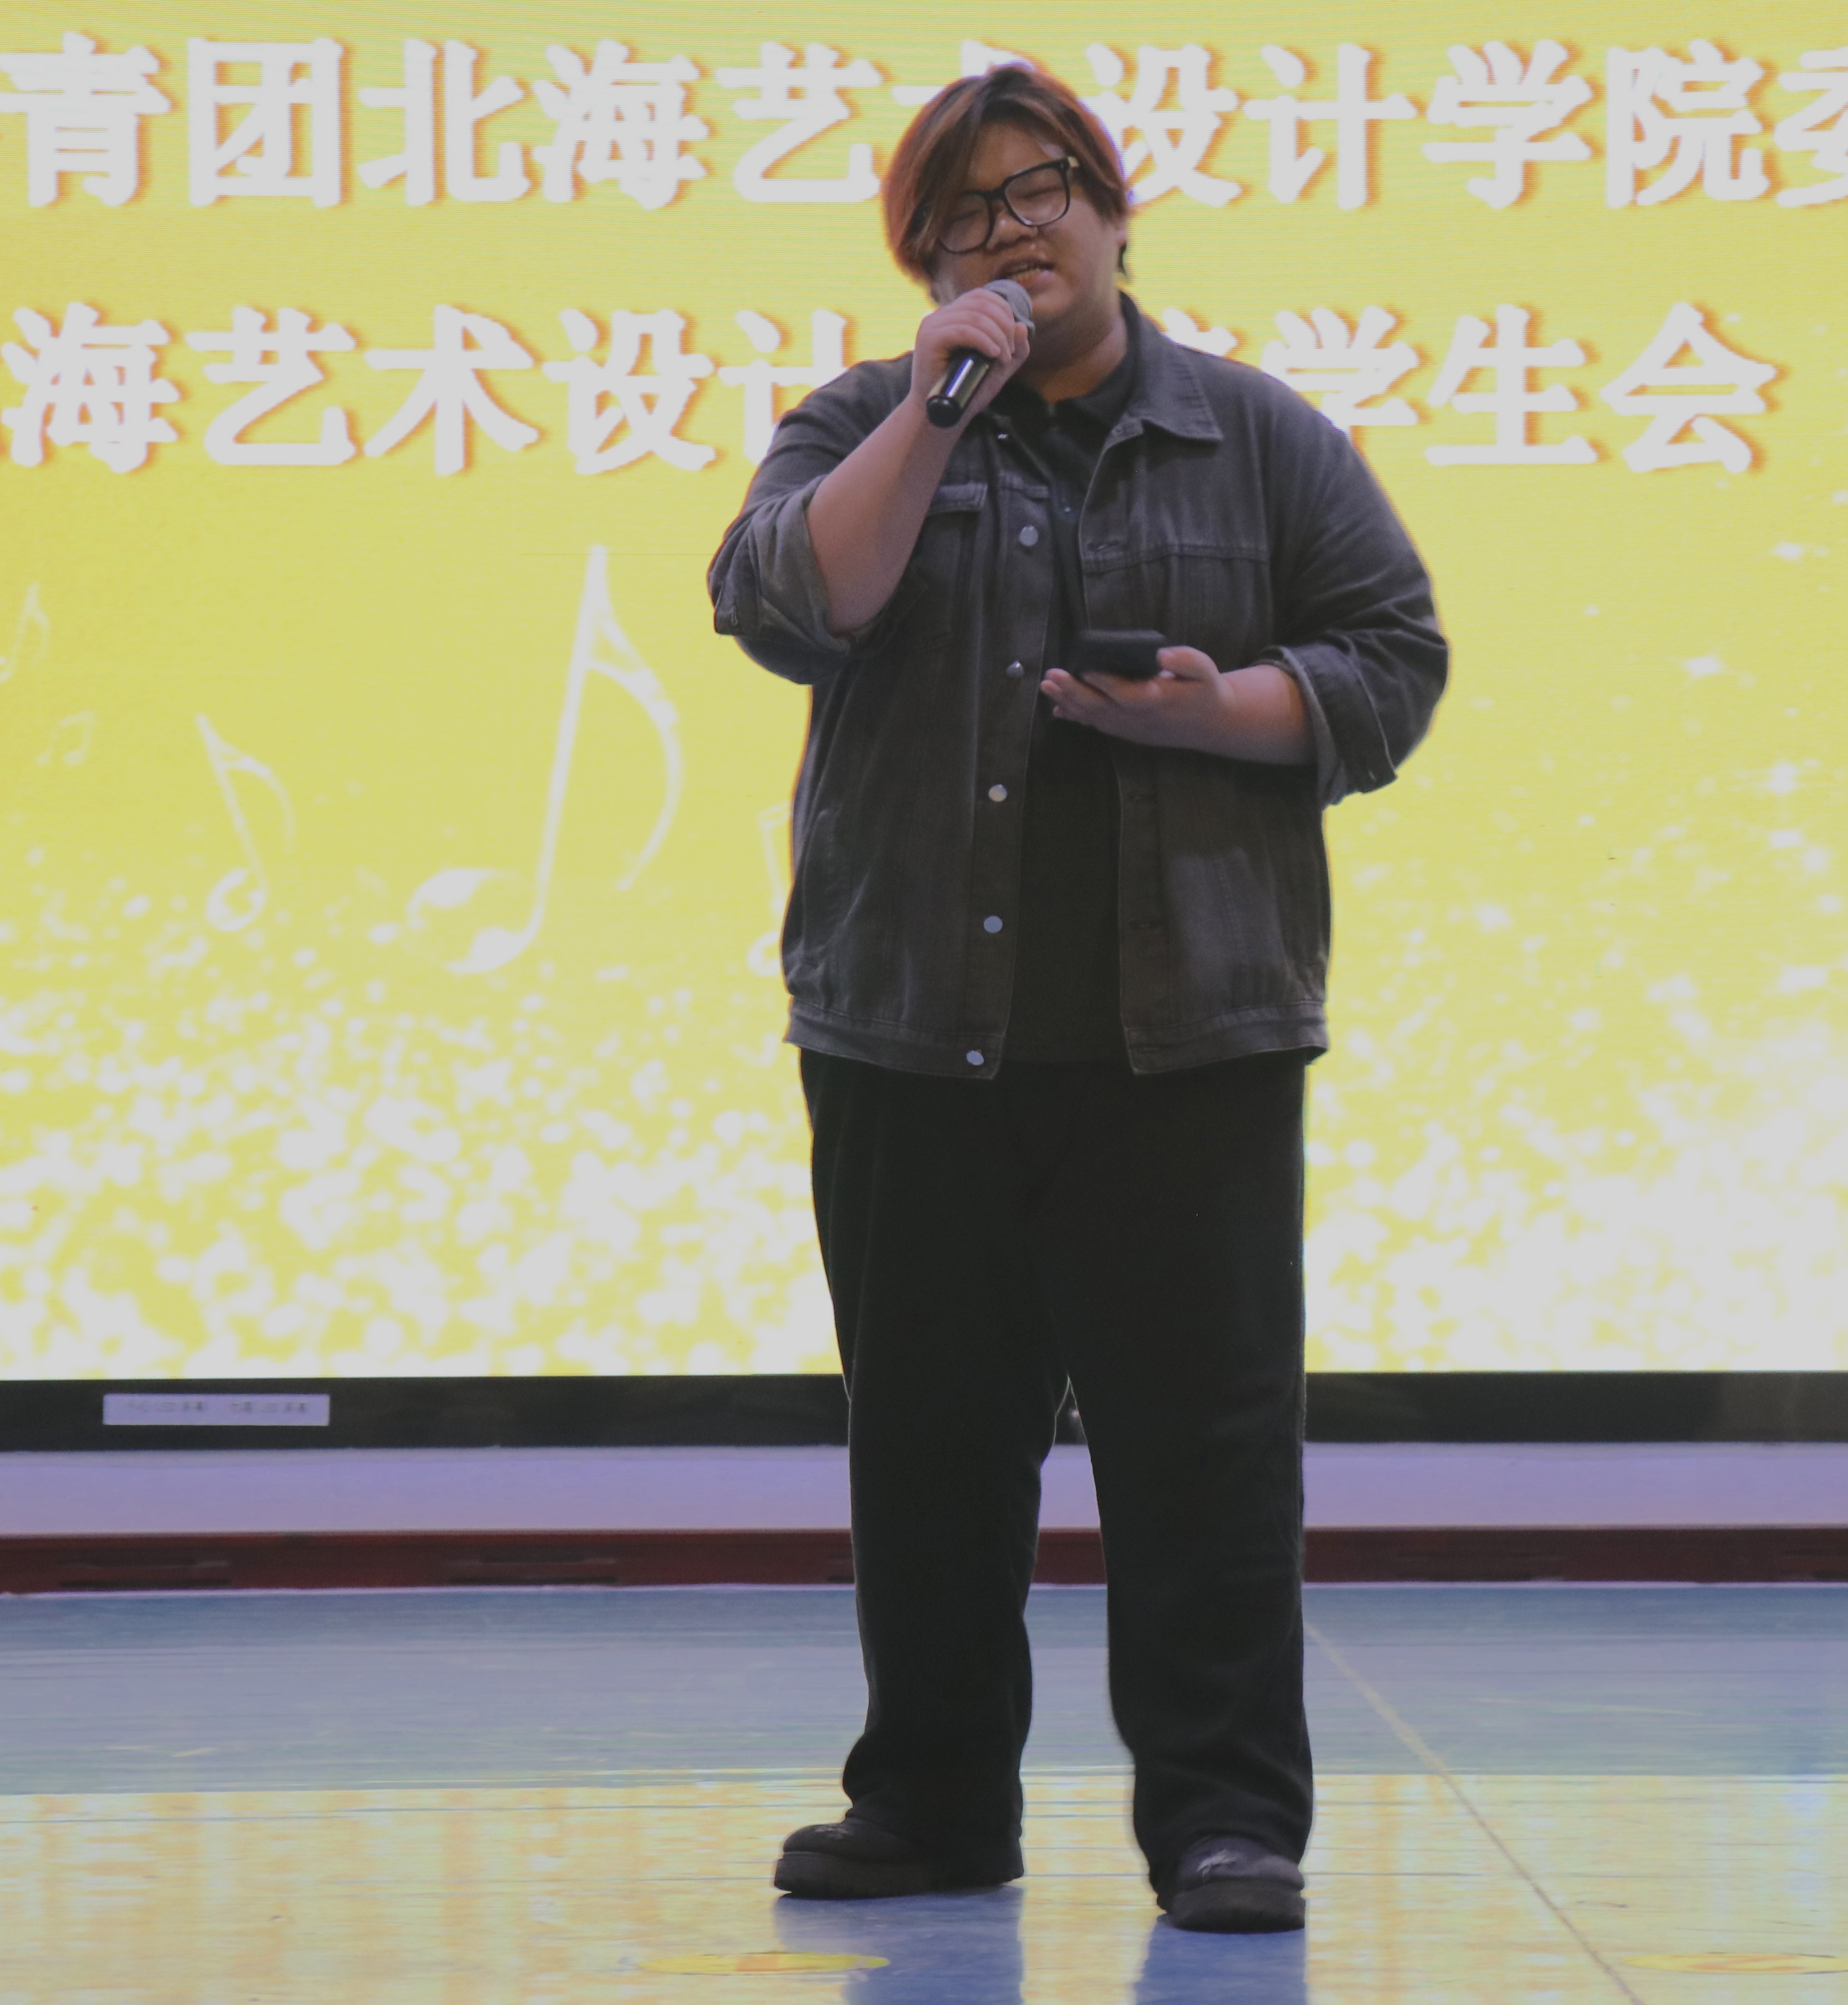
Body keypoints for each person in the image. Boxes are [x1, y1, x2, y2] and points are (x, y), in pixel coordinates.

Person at [706, 63, 1444, 1936]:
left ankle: (1224, 1822)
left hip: (1187, 1032)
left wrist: (1223, 712)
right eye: (959, 220)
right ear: (923, 267)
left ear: (1113, 209)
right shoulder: (868, 421)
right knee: (930, 1448)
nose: (1007, 236)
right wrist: (932, 413)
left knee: (1203, 1451)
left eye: (1036, 192)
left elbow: (1392, 662)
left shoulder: (1256, 436)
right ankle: (932, 1803)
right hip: (907, 1027)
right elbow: (789, 602)